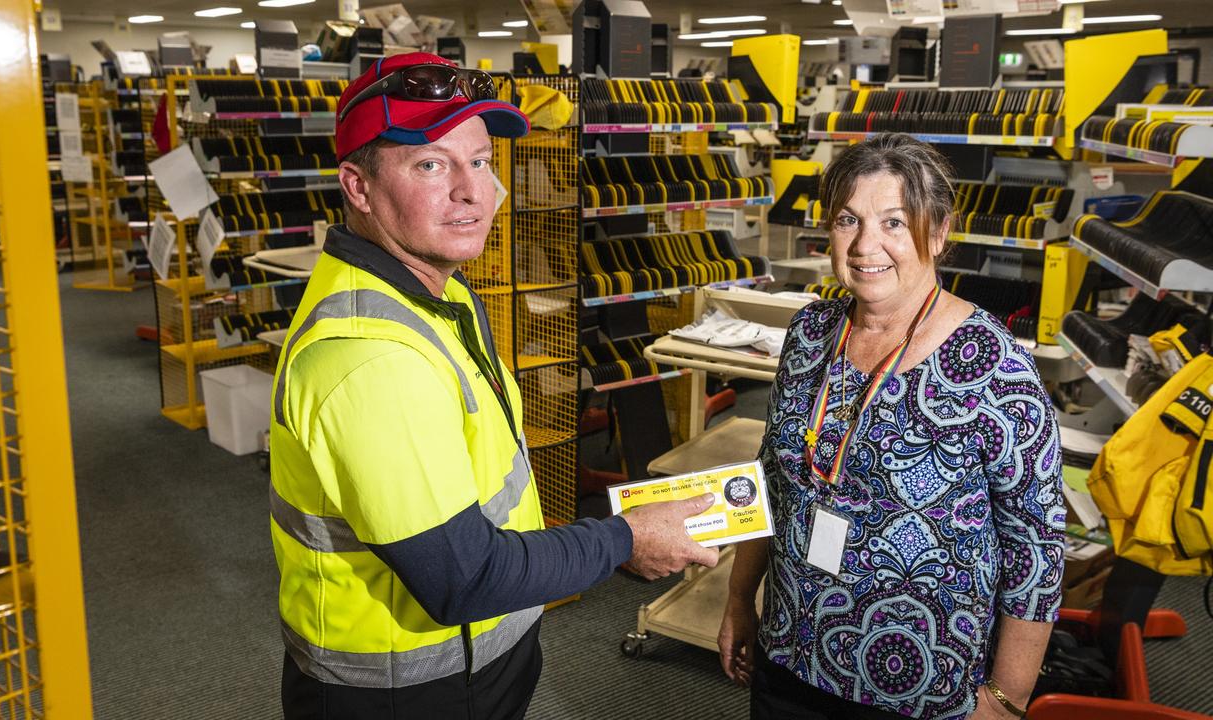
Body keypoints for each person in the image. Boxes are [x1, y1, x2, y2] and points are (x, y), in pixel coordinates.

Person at [269, 52, 720, 719]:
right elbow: (463, 576)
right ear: (358, 188)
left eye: (479, 161)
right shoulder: (372, 359)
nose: (474, 191)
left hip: (472, 658)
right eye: (431, 164)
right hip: (408, 693)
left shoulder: (433, 293)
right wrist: (624, 539)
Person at [718, 133, 1065, 720]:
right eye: (847, 220)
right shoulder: (811, 334)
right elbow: (770, 475)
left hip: (920, 687)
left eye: (895, 223)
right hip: (792, 651)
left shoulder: (994, 367)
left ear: (939, 231)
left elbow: (1035, 550)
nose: (865, 245)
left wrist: (1007, 699)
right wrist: (738, 599)